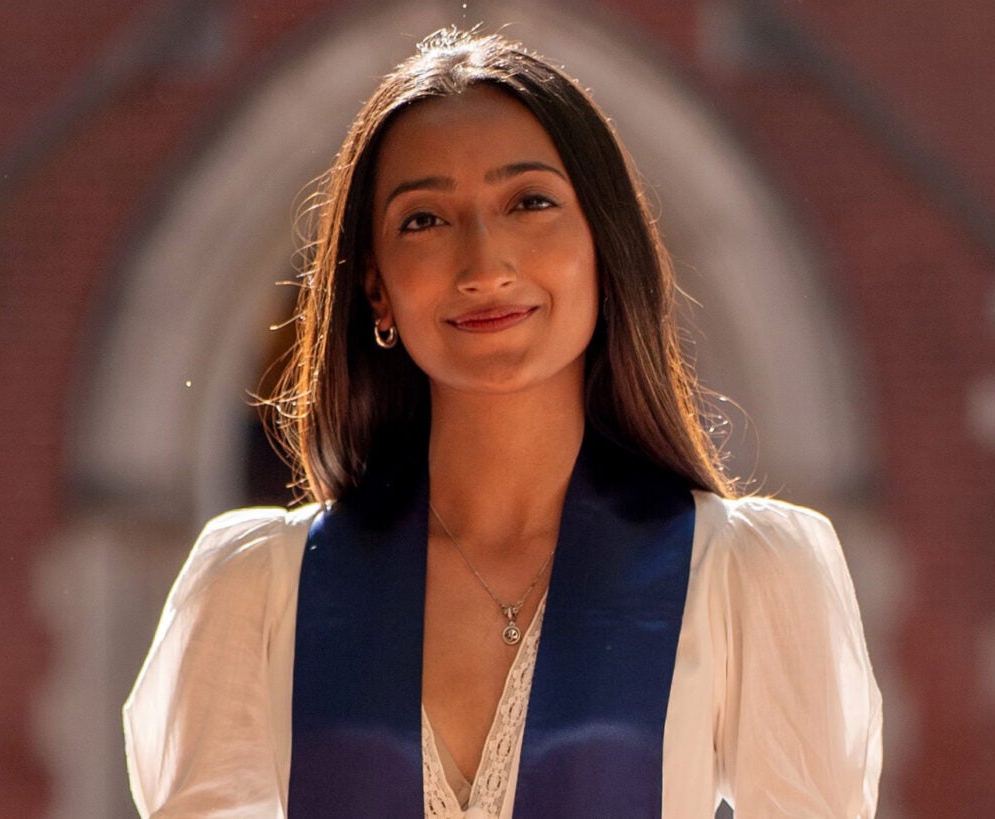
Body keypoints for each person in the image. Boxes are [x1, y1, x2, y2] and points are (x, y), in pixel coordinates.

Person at [123, 29, 882, 818]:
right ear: (378, 289)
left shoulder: (739, 574)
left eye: (530, 203)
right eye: (424, 219)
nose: (484, 266)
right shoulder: (260, 591)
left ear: (604, 246)